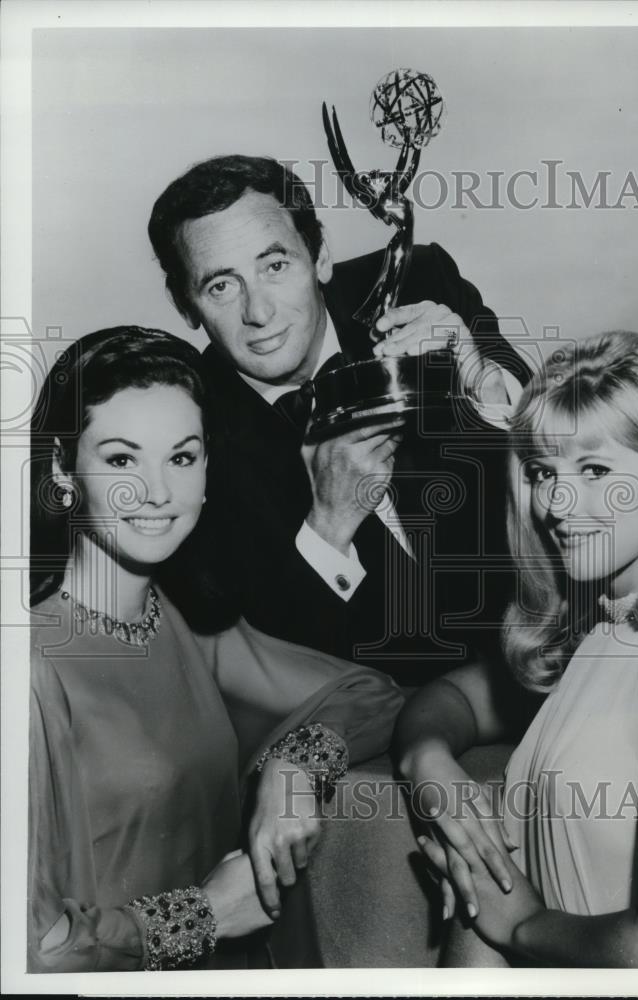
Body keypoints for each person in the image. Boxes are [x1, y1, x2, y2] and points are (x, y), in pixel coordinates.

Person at [28, 326, 404, 972]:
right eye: (121, 460)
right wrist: (204, 913)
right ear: (62, 468)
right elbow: (31, 951)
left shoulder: (186, 621)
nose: (157, 491)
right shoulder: (30, 670)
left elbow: (370, 695)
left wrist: (293, 773)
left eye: (181, 457)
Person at [394, 330, 638, 967]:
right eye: (543, 472)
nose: (555, 503)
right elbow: (449, 698)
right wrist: (427, 761)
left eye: (596, 470)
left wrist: (520, 925)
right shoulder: (597, 634)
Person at [147, 156, 531, 684]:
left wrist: (483, 383)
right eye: (221, 286)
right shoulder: (185, 428)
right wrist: (328, 526)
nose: (258, 312)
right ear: (184, 303)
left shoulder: (422, 280)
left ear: (320, 254)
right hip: (377, 725)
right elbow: (256, 664)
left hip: (546, 650)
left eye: (275, 265)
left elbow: (567, 463)